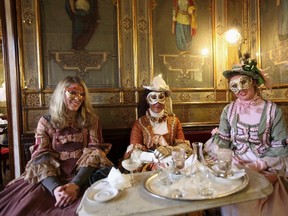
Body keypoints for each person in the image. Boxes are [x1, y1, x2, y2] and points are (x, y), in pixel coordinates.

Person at [0, 76, 113, 215]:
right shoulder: (45, 121)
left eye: (82, 94)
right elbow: (41, 156)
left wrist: (75, 184)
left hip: (83, 175)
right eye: (73, 92)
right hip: (52, 176)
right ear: (61, 93)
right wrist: (55, 189)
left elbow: (94, 152)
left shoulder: (91, 120)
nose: (78, 98)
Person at [204, 60, 288, 216]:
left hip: (266, 166)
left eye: (244, 82)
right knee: (231, 197)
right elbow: (222, 140)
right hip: (235, 164)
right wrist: (227, 159)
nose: (240, 89)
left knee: (257, 201)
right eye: (234, 85)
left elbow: (279, 148)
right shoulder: (228, 110)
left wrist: (259, 165)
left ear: (254, 82)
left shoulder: (272, 111)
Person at [123, 76, 192, 172]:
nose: (157, 102)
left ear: (166, 99)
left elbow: (184, 147)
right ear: (147, 100)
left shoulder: (175, 122)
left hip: (172, 162)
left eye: (161, 97)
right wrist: (155, 157)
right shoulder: (139, 124)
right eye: (153, 97)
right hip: (147, 165)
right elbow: (134, 152)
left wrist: (169, 150)